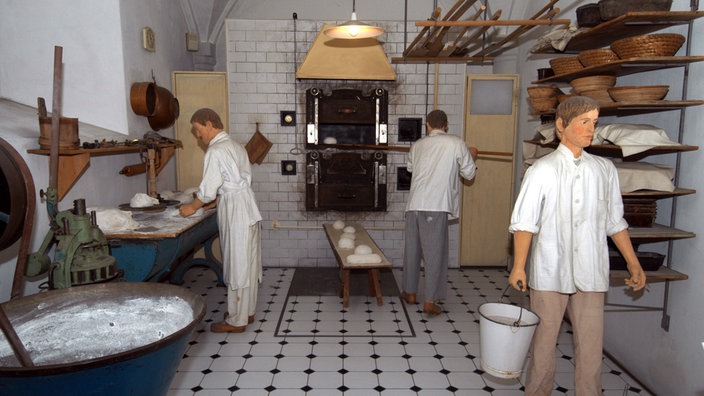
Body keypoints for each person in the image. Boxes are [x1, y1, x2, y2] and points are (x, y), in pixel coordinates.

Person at [508, 96, 647, 395]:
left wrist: (634, 263)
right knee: (544, 345)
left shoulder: (603, 170)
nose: (590, 129)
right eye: (583, 122)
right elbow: (524, 223)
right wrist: (519, 266)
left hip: (591, 271)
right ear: (561, 126)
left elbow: (615, 222)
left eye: (594, 123)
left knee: (591, 347)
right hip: (549, 270)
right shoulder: (541, 170)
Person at [180, 108, 263, 333]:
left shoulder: (216, 150)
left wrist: (192, 207)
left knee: (238, 263)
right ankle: (246, 311)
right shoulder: (236, 146)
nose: (198, 136)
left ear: (209, 124)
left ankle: (237, 321)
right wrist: (216, 200)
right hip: (248, 207)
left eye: (198, 130)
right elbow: (234, 182)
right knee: (249, 261)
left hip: (236, 210)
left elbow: (207, 190)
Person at [402, 109, 478, 316]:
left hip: (414, 204)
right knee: (434, 254)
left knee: (412, 250)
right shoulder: (456, 143)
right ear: (446, 125)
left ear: (427, 125)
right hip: (436, 205)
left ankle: (409, 292)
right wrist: (473, 155)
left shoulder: (417, 145)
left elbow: (410, 168)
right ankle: (430, 301)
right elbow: (469, 173)